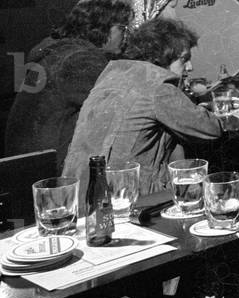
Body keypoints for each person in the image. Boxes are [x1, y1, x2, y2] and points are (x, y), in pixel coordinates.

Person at [62, 18, 224, 202]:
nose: (190, 67)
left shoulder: (112, 75)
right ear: (164, 55)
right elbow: (211, 129)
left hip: (81, 194)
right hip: (128, 197)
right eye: (184, 59)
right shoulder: (158, 88)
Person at [5, 0, 132, 168]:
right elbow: (127, 104)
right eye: (122, 28)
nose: (126, 36)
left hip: (29, 164)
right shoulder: (78, 59)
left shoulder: (59, 50)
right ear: (101, 26)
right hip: (50, 172)